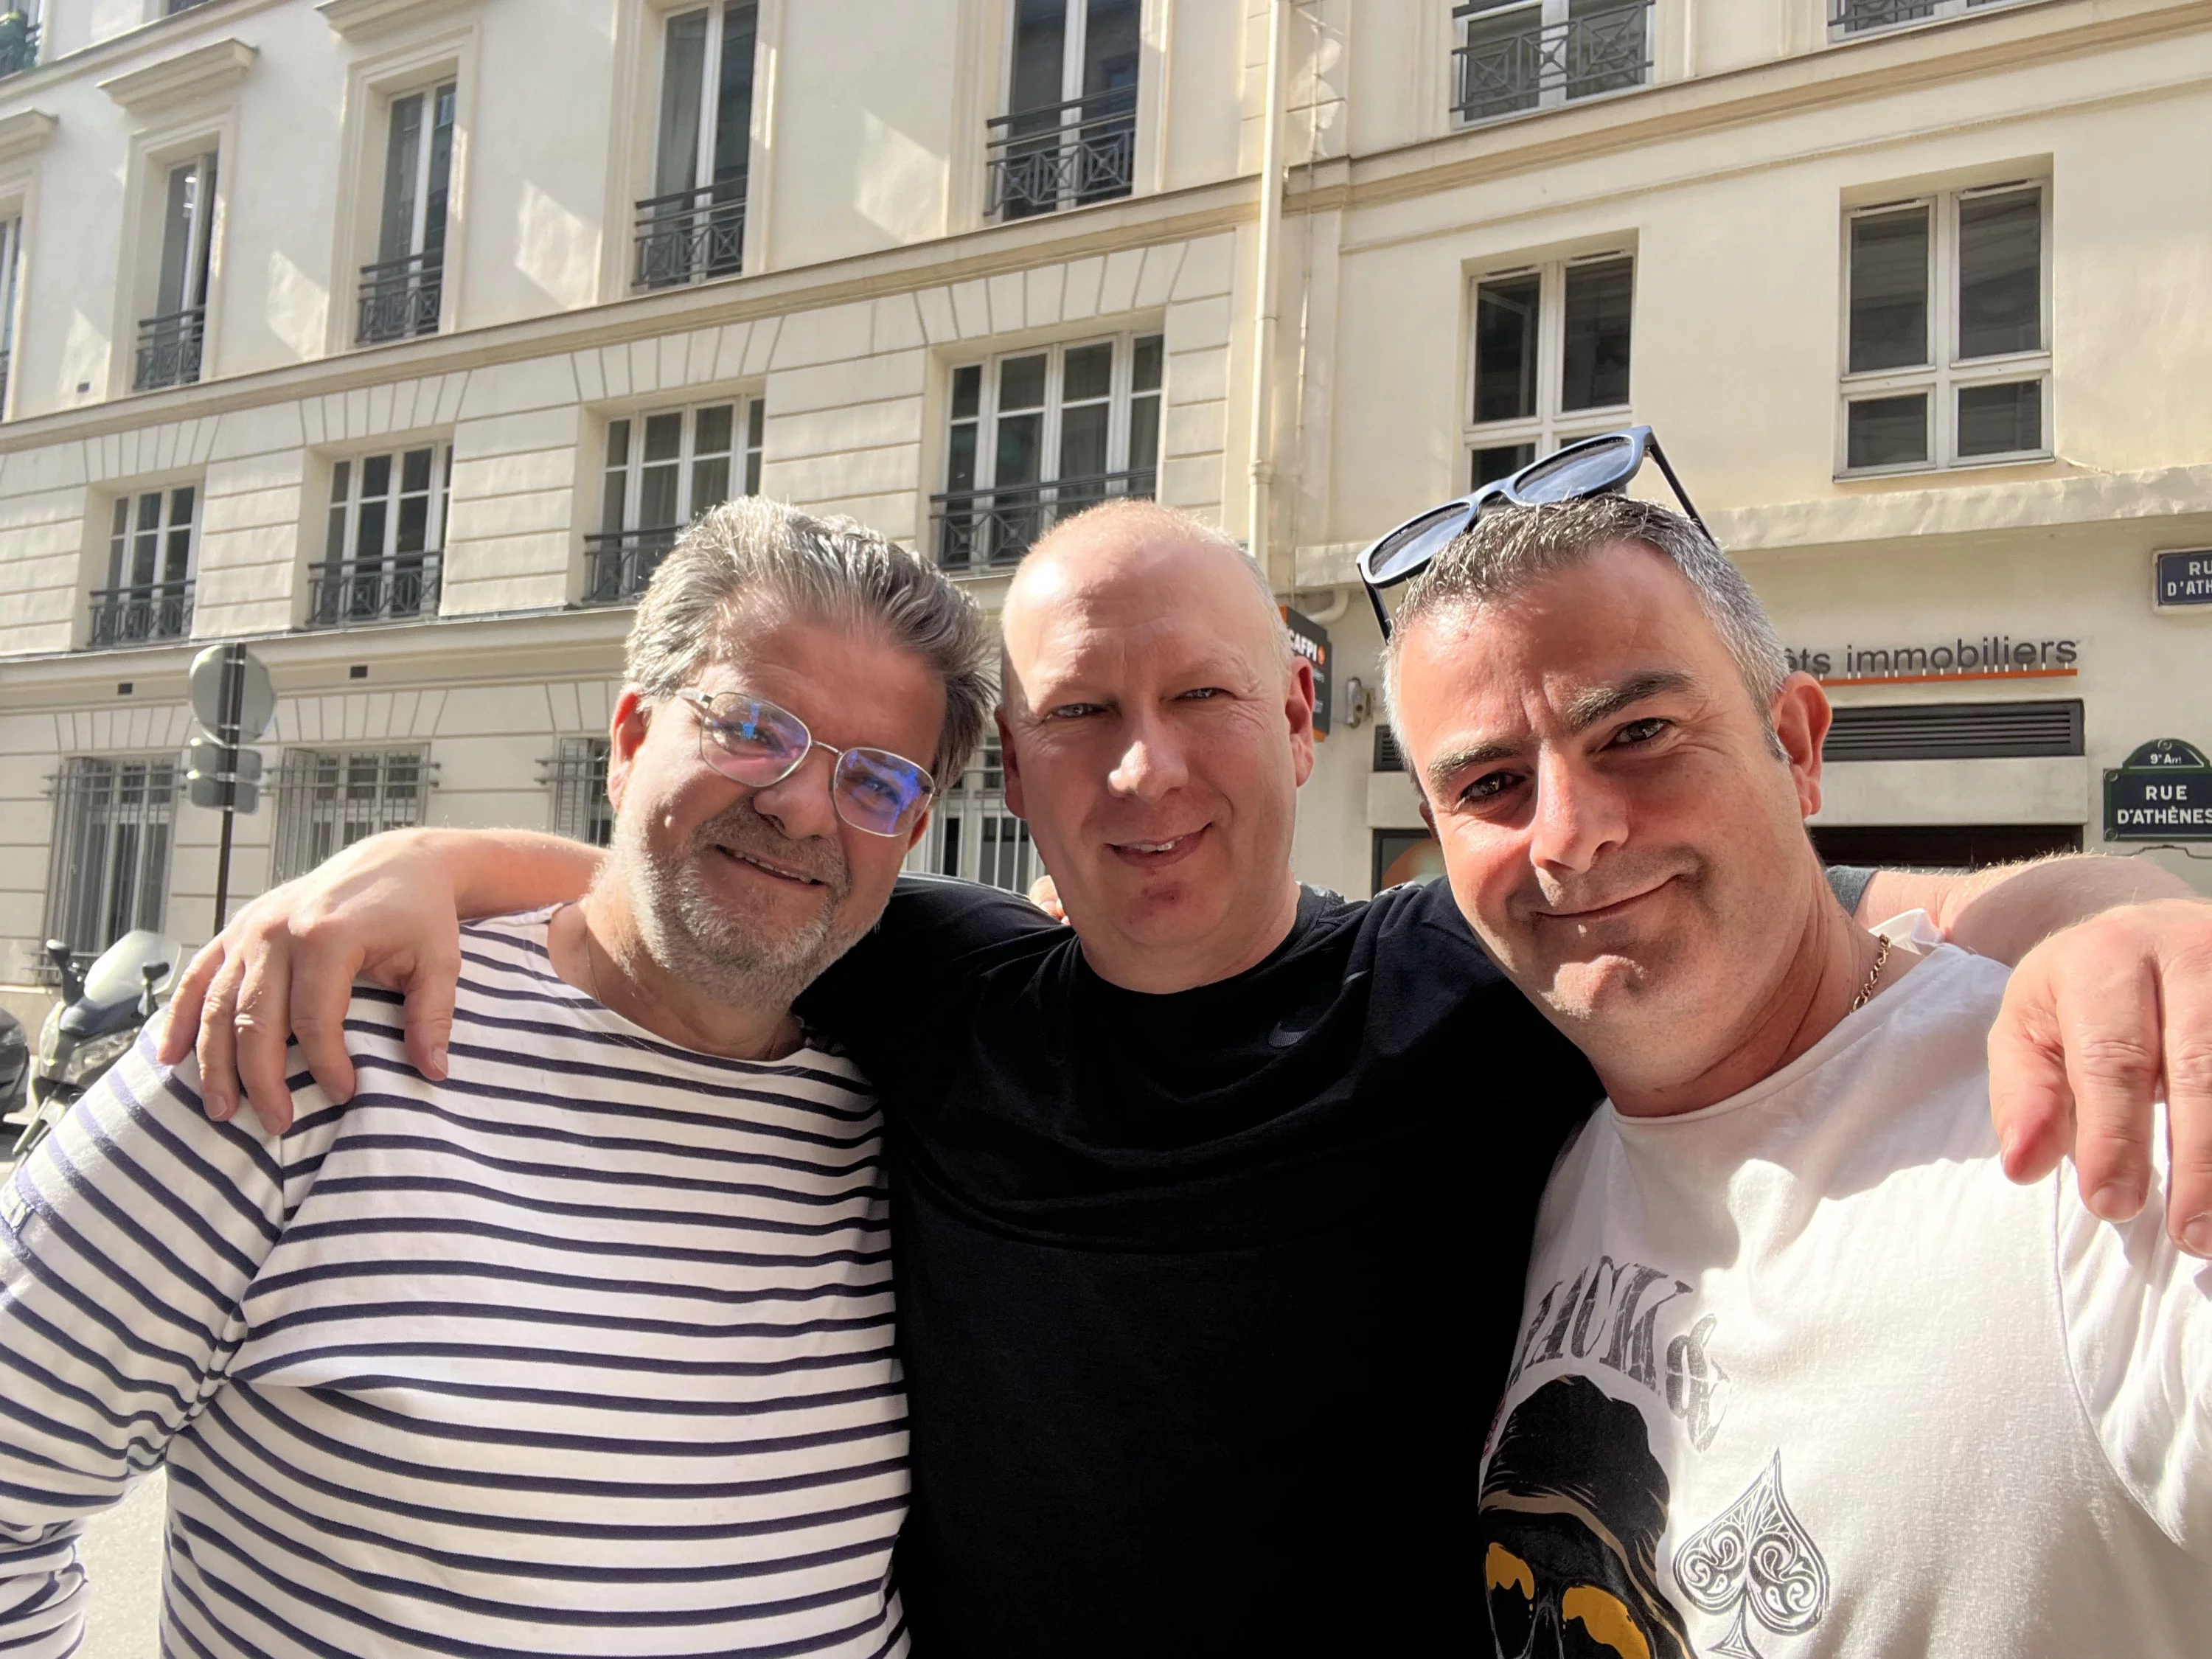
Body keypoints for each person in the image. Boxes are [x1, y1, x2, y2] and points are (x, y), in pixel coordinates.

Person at [161, 500, 2212, 1656]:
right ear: (1009, 768)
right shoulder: (935, 985)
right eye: (1081, 716)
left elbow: (1859, 916)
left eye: (1202, 696)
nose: (1144, 770)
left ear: (1301, 712)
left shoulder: (1487, 965)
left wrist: (2137, 912)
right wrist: (403, 860)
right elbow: (710, 873)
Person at [0, 500, 992, 1658]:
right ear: (631, 740)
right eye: (753, 727)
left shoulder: (919, 1123)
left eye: (876, 782)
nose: (801, 803)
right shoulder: (306, 1039)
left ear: (911, 831)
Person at [1383, 495, 2211, 1656]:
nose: (1568, 834)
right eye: (1489, 786)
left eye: (1637, 733)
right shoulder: (1555, 1159)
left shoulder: (2090, 1138)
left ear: (1798, 744)